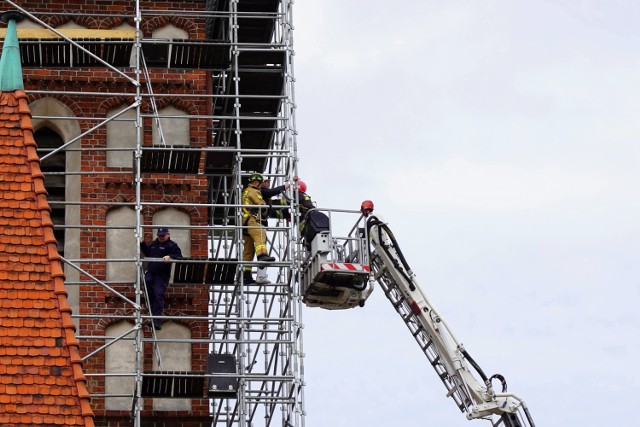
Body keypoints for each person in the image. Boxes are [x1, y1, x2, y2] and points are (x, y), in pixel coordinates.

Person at [140, 227, 183, 330]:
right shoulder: (154, 244)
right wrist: (142, 243)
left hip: (161, 275)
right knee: (147, 284)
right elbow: (147, 252)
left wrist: (170, 256)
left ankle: (157, 320)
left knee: (158, 294)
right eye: (160, 235)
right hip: (151, 273)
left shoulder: (171, 245)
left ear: (168, 234)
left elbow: (179, 255)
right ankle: (152, 312)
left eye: (163, 235)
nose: (161, 237)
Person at [242, 172, 276, 284]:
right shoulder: (254, 191)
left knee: (248, 250)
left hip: (245, 221)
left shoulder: (246, 191)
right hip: (252, 220)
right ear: (257, 182)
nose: (261, 186)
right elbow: (261, 204)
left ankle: (246, 275)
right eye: (261, 183)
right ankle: (262, 256)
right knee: (260, 236)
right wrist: (267, 208)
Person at [256, 178, 290, 284]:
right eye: (266, 182)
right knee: (262, 252)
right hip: (257, 224)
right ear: (262, 183)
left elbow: (272, 211)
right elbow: (271, 192)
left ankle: (260, 276)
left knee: (261, 252)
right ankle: (259, 276)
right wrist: (285, 187)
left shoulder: (266, 199)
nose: (268, 184)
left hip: (260, 224)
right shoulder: (261, 192)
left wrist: (287, 215)